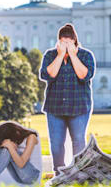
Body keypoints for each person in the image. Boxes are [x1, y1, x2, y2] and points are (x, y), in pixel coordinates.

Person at [39, 23, 95, 175]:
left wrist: (73, 55)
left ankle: (78, 173)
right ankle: (59, 174)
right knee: (56, 144)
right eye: (62, 42)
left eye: (68, 42)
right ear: (58, 41)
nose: (65, 45)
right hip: (54, 107)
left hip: (79, 107)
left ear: (75, 41)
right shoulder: (50, 55)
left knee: (78, 141)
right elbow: (47, 74)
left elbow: (84, 75)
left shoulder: (86, 55)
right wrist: (59, 55)